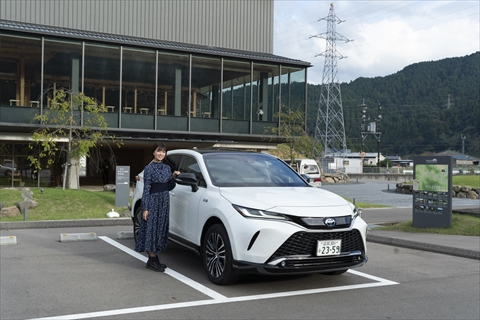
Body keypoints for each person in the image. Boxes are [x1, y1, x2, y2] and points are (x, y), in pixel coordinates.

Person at [134, 142, 180, 272]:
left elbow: (169, 186)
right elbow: (146, 189)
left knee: (160, 229)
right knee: (151, 230)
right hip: (153, 201)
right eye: (158, 151)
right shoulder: (148, 168)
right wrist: (145, 208)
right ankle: (153, 259)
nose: (161, 154)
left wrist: (173, 177)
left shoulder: (166, 168)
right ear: (153, 152)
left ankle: (153, 259)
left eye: (163, 152)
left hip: (164, 202)